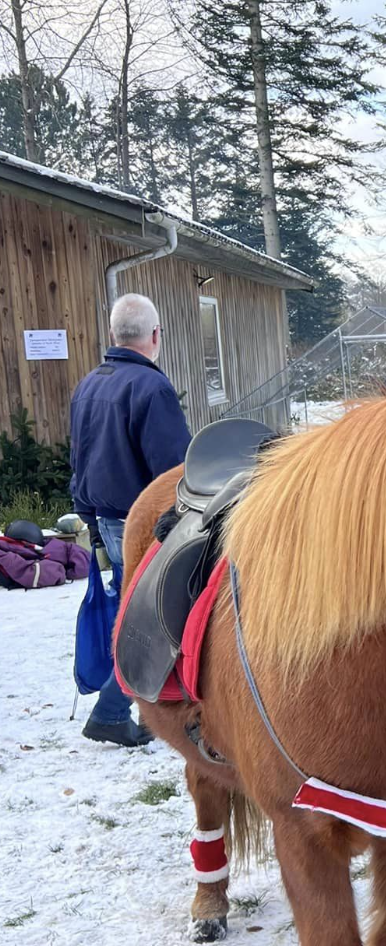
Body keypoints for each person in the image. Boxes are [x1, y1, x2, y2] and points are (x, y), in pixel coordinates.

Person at [71, 293, 190, 747]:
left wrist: (86, 513)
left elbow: (78, 456)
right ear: (156, 336)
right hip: (142, 522)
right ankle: (113, 709)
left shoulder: (89, 384)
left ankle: (125, 705)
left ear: (113, 335)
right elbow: (175, 468)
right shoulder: (151, 388)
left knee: (134, 613)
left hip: (103, 516)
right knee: (151, 620)